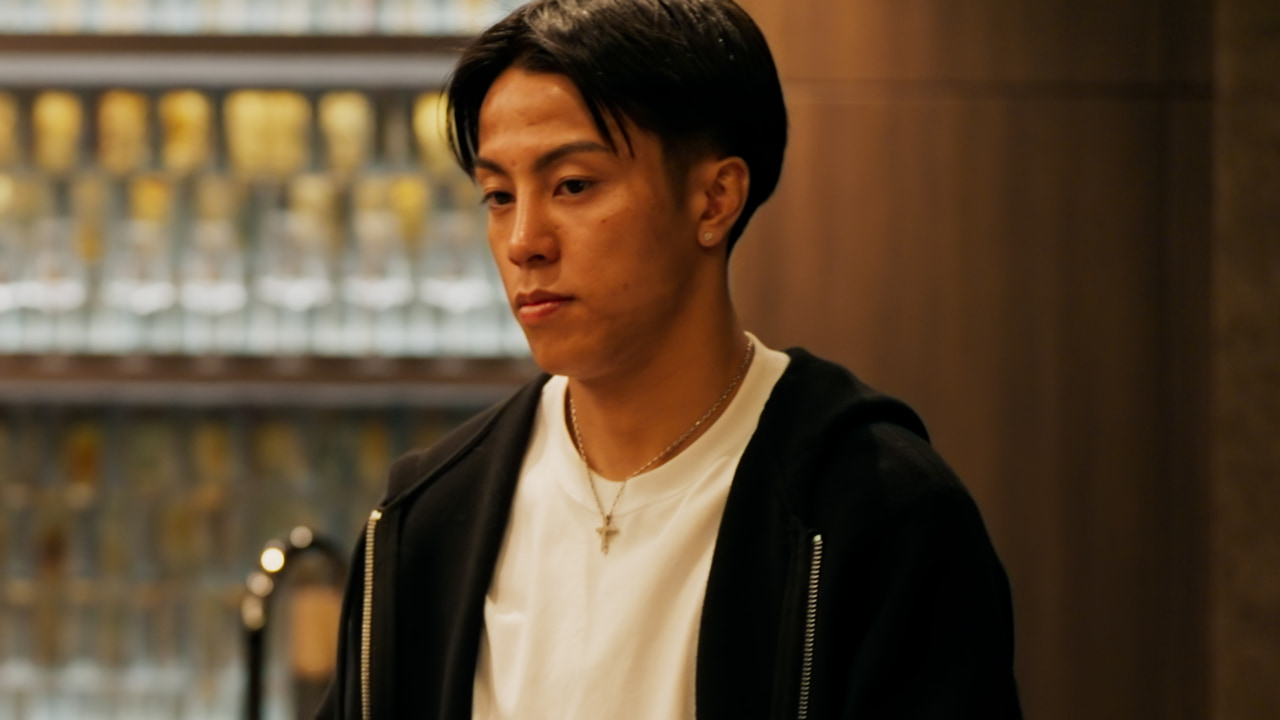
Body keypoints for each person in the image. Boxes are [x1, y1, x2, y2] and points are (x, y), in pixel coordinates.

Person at [317, 0, 1022, 717]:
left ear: (714, 200)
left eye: (573, 185)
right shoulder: (427, 518)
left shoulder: (875, 515)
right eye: (498, 196)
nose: (524, 240)